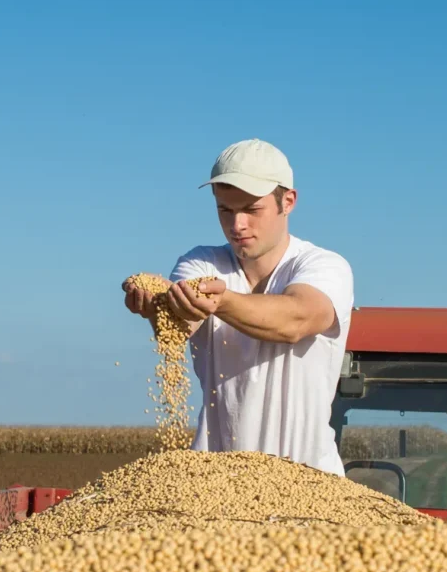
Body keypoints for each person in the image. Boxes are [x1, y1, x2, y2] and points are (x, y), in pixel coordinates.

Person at [123, 138, 354, 476]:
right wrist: (160, 307)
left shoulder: (323, 266)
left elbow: (297, 319)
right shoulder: (201, 262)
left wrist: (223, 302)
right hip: (214, 480)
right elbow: (179, 324)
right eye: (225, 210)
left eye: (251, 210)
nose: (237, 225)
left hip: (308, 479)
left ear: (287, 201)